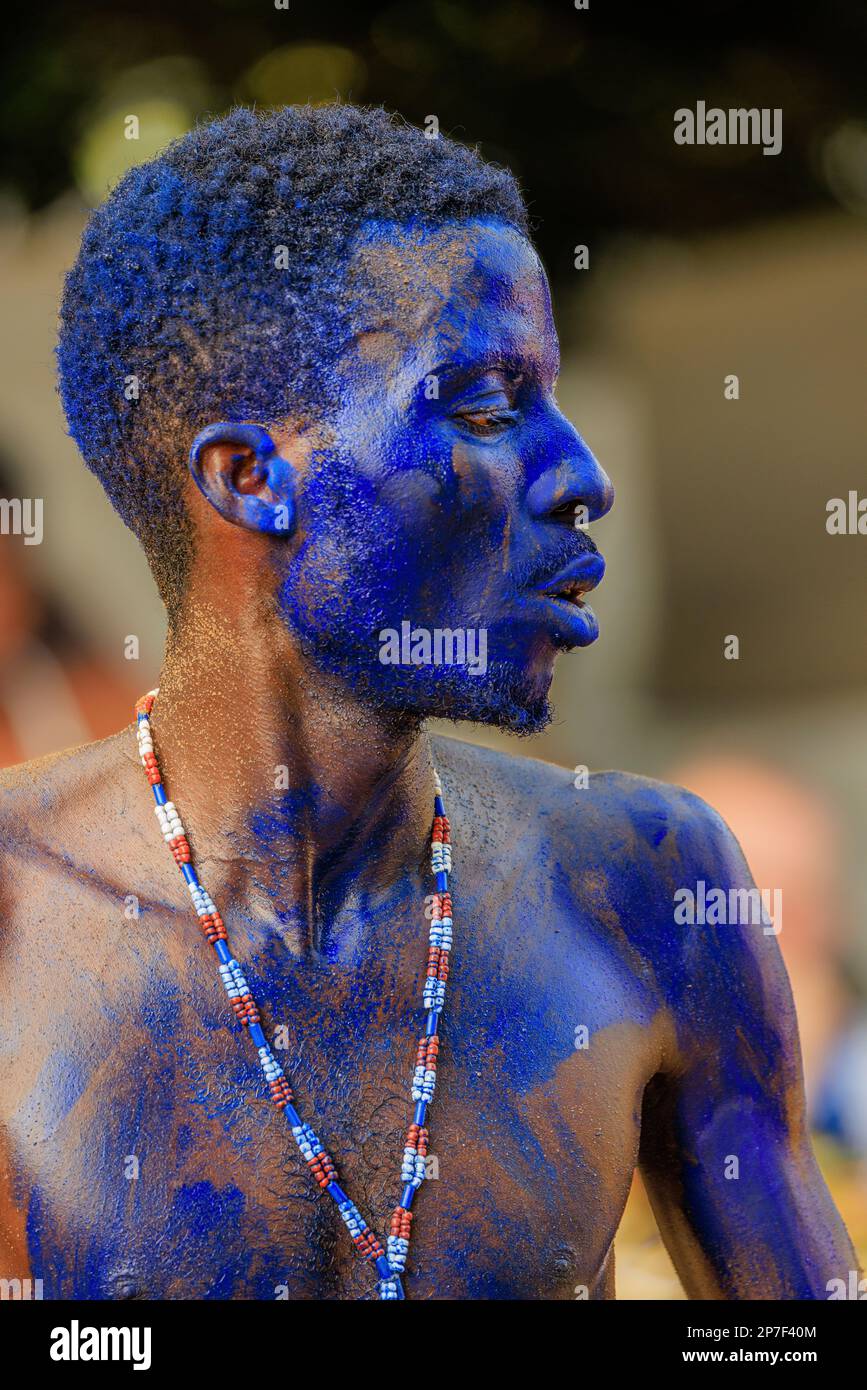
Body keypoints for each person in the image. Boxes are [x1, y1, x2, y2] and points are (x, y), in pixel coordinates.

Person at [0, 104, 856, 1300]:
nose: (582, 476)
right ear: (250, 478)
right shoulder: (18, 907)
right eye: (490, 406)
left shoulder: (647, 887)